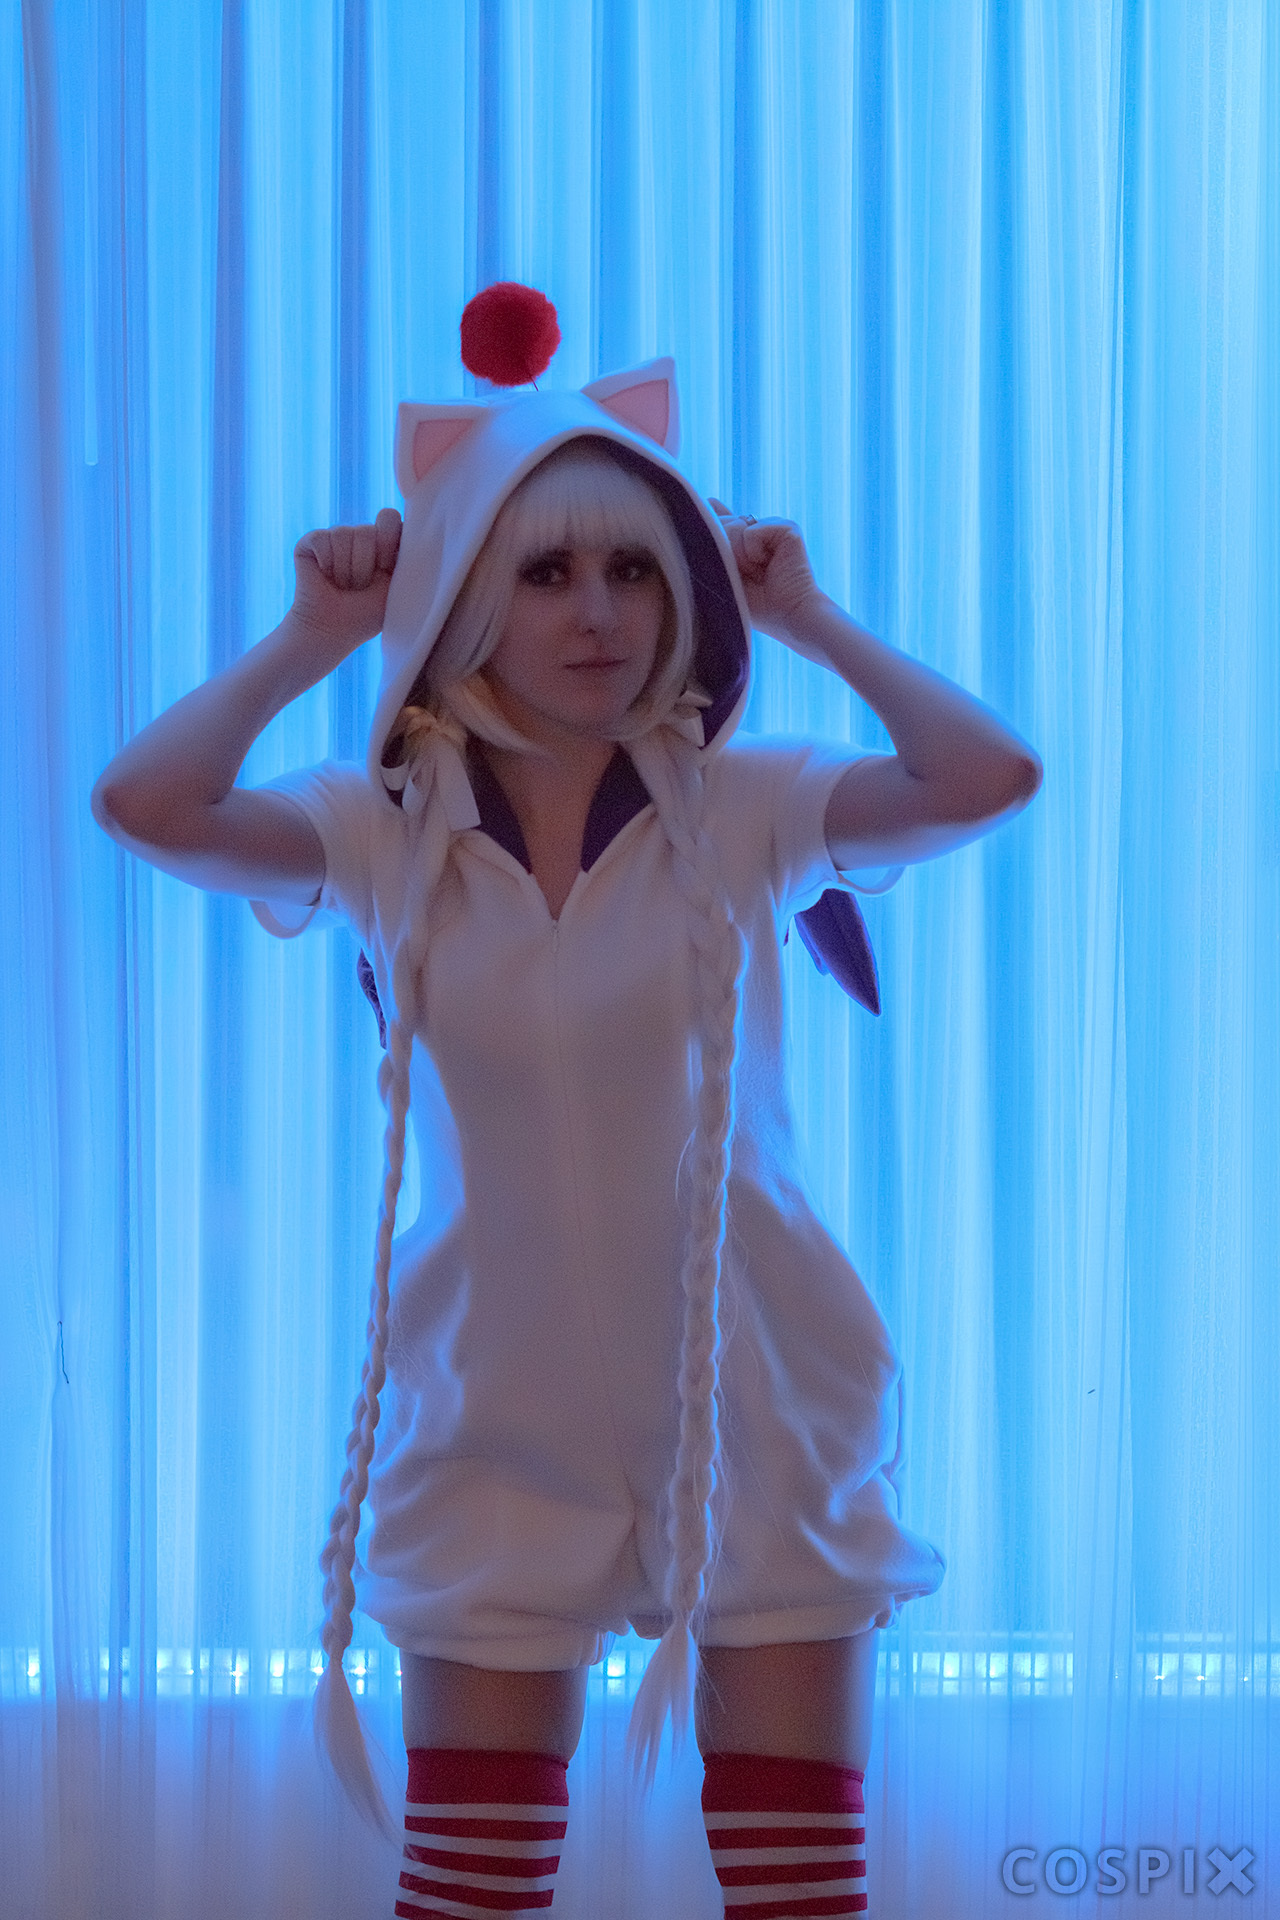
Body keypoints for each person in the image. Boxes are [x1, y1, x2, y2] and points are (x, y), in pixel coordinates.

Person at [92, 345, 1041, 1920]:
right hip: (493, 1418)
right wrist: (314, 635)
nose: (599, 614)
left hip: (760, 1406)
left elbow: (989, 774)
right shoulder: (381, 831)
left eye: (633, 571)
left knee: (800, 1896)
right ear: (467, 596)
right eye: (545, 573)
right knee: (468, 1896)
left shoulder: (745, 806)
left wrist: (808, 618)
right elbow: (149, 805)